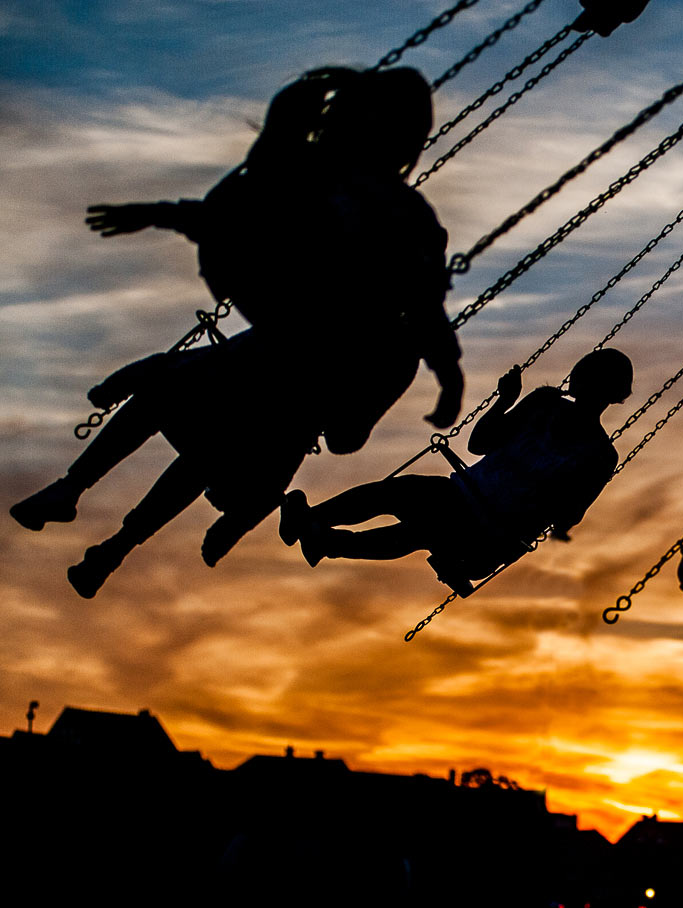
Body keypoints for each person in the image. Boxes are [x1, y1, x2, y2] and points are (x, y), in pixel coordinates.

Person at [10, 66, 462, 597]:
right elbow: (243, 208)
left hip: (314, 367)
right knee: (169, 392)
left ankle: (109, 543)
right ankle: (72, 496)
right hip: (286, 341)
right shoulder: (316, 176)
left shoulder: (400, 213)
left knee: (190, 426)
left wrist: (443, 368)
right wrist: (159, 214)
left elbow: (422, 302)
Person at [280, 349, 633, 589]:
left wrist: (506, 406)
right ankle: (313, 527)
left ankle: (319, 534)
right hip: (464, 494)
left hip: (488, 527)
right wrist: (506, 403)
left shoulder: (594, 451)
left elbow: (566, 516)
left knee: (411, 523)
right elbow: (480, 444)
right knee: (397, 498)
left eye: (587, 376)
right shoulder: (553, 411)